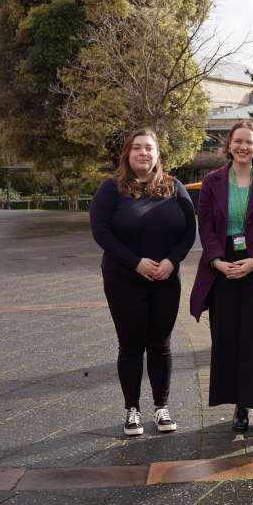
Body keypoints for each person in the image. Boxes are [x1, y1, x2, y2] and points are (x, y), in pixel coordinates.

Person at [90, 128, 196, 436]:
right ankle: (132, 410)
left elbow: (189, 231)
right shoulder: (111, 189)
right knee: (131, 344)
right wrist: (136, 263)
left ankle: (161, 407)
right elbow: (101, 232)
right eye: (137, 148)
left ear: (158, 154)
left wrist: (170, 261)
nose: (143, 153)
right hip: (124, 279)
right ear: (127, 154)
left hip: (165, 279)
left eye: (149, 148)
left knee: (160, 345)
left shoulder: (175, 188)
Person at [190, 120, 253, 436]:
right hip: (224, 272)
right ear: (229, 145)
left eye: (249, 141)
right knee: (229, 340)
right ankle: (240, 406)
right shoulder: (212, 181)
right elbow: (205, 227)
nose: (243, 147)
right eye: (238, 141)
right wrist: (218, 262)